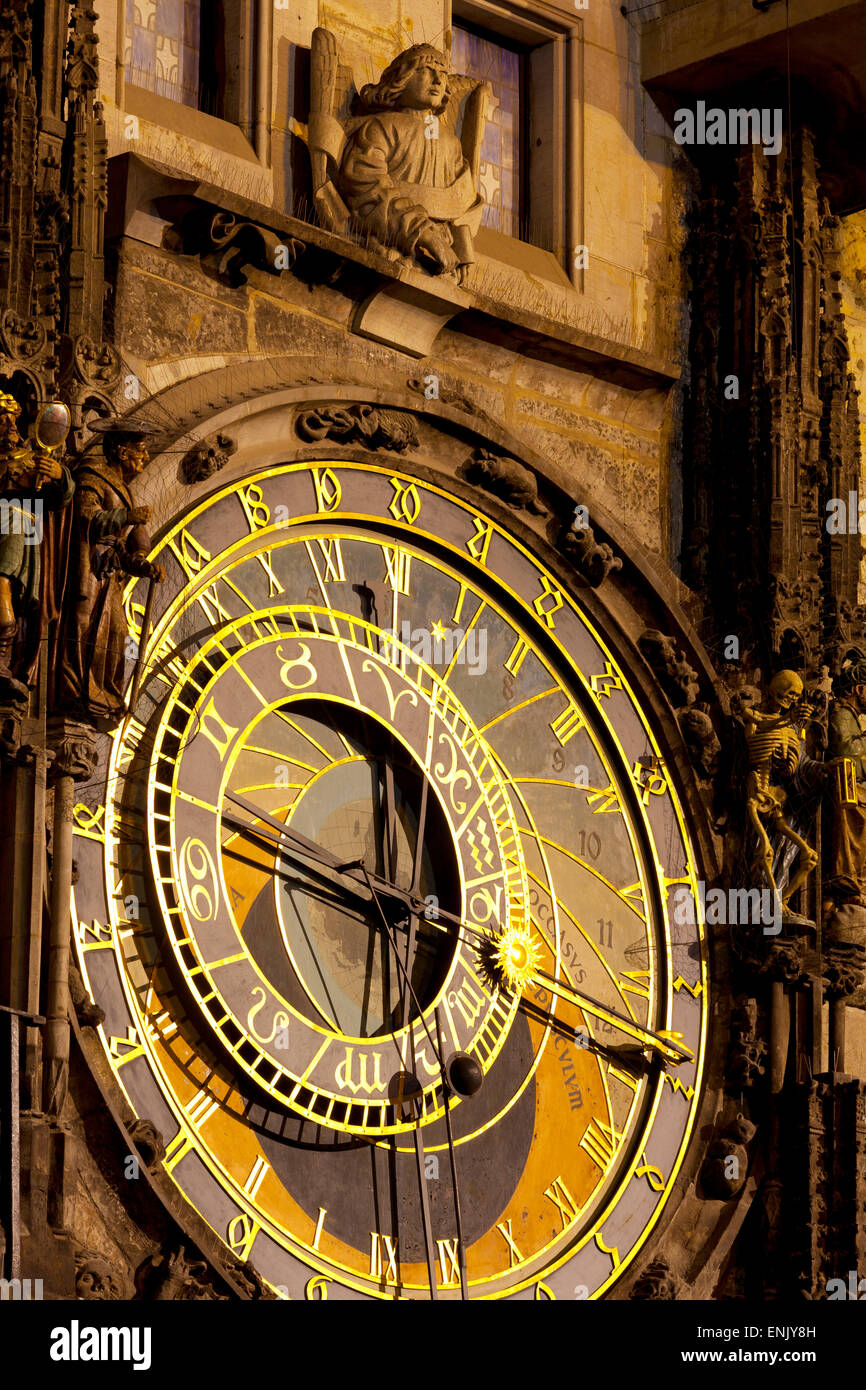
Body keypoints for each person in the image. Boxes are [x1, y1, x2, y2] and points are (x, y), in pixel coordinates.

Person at [337, 44, 484, 277]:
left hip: (440, 263)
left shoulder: (452, 145)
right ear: (401, 79)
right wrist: (423, 233)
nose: (437, 80)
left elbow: (461, 204)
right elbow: (366, 188)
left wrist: (461, 249)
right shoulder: (382, 127)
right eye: (426, 70)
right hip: (388, 244)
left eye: (443, 74)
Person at [59, 419, 164, 724]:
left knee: (117, 632)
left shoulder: (125, 491)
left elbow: (132, 546)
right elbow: (87, 517)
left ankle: (104, 690)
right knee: (84, 623)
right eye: (140, 451)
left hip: (111, 571)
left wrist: (144, 565)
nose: (144, 457)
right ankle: (78, 688)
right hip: (89, 564)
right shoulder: (92, 477)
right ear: (120, 451)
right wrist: (127, 516)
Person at [0, 391, 73, 693]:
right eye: (2, 422)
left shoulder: (29, 458)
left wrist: (59, 475)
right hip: (11, 524)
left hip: (21, 529)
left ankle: (4, 660)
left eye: (12, 421)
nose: (11, 428)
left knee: (12, 595)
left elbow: (58, 499)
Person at [825, 659, 866, 906]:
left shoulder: (852, 717)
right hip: (846, 789)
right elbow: (845, 749)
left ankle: (857, 881)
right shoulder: (841, 713)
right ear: (859, 689)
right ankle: (849, 878)